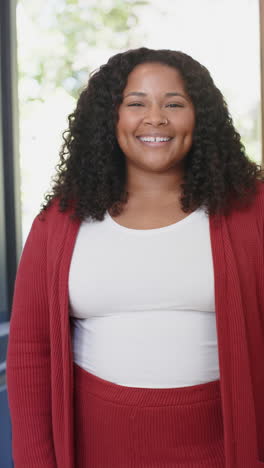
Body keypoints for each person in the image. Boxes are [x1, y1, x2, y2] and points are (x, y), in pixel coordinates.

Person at [6, 47, 264, 468]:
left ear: (201, 118)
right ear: (112, 118)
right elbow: (30, 353)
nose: (156, 118)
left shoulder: (251, 212)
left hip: (226, 450)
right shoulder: (59, 221)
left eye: (174, 104)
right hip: (96, 450)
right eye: (136, 103)